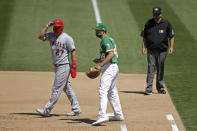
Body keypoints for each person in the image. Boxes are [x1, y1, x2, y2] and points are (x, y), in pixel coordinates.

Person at [36, 19, 81, 116]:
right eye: (54, 27)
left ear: (61, 28)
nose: (55, 29)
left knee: (56, 88)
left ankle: (46, 110)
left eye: (57, 27)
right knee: (67, 88)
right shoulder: (51, 35)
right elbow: (40, 37)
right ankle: (76, 108)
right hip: (57, 67)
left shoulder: (67, 38)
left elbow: (73, 51)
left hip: (64, 67)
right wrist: (47, 25)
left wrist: (74, 65)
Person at [92, 23, 124, 125]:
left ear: (103, 31)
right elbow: (108, 54)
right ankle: (118, 115)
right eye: (96, 30)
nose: (96, 32)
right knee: (111, 91)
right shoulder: (106, 40)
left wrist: (100, 65)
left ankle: (102, 115)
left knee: (103, 90)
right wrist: (100, 59)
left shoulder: (106, 40)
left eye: (97, 30)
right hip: (112, 67)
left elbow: (111, 54)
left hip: (110, 67)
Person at [141, 7, 175, 95]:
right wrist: (143, 47)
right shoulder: (149, 23)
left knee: (160, 67)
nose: (155, 16)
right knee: (151, 68)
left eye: (157, 14)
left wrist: (171, 47)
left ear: (161, 14)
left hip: (162, 50)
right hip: (151, 50)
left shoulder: (166, 23)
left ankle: (160, 88)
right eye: (154, 14)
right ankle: (149, 88)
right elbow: (144, 36)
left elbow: (171, 36)